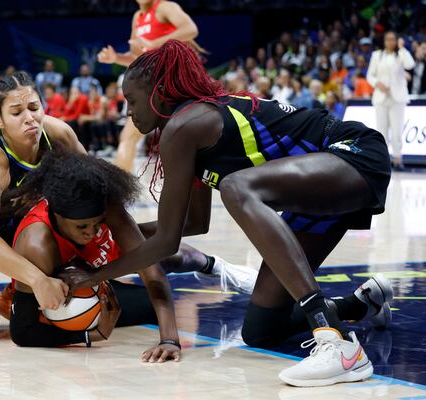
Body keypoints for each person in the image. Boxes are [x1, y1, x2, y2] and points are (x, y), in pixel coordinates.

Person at [61, 40, 394, 387]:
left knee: (237, 187)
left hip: (350, 155)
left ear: (159, 92)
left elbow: (166, 241)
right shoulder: (193, 125)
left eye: (131, 100)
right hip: (314, 191)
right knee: (262, 329)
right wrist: (117, 234)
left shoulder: (184, 126)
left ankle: (335, 342)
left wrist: (93, 275)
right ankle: (360, 304)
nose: (127, 110)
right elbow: (193, 223)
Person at [0, 71, 181, 361]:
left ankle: (15, 294)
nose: (29, 118)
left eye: (34, 107)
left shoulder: (60, 135)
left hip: (11, 219)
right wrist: (38, 280)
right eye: (16, 112)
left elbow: (94, 190)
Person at [8, 150, 176, 360]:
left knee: (165, 279)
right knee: (152, 303)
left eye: (99, 223)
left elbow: (151, 270)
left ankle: (210, 264)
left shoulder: (108, 206)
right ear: (58, 215)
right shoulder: (37, 245)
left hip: (94, 275)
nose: (92, 232)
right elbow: (22, 332)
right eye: (82, 226)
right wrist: (89, 335)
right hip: (52, 297)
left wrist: (169, 341)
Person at [97, 0, 202, 173]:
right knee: (128, 136)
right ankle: (117, 194)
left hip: (175, 80)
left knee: (184, 138)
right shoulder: (137, 17)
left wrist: (153, 44)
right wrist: (115, 58)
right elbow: (137, 57)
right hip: (152, 83)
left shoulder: (164, 7)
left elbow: (191, 29)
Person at [367, 31, 415, 170]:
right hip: (381, 98)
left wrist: (402, 48)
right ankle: (383, 160)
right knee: (381, 130)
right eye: (388, 39)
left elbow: (410, 65)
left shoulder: (401, 55)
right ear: (384, 41)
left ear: (397, 40)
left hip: (397, 98)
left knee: (397, 130)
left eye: (393, 39)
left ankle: (397, 159)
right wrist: (377, 83)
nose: (390, 42)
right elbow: (370, 75)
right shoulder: (377, 56)